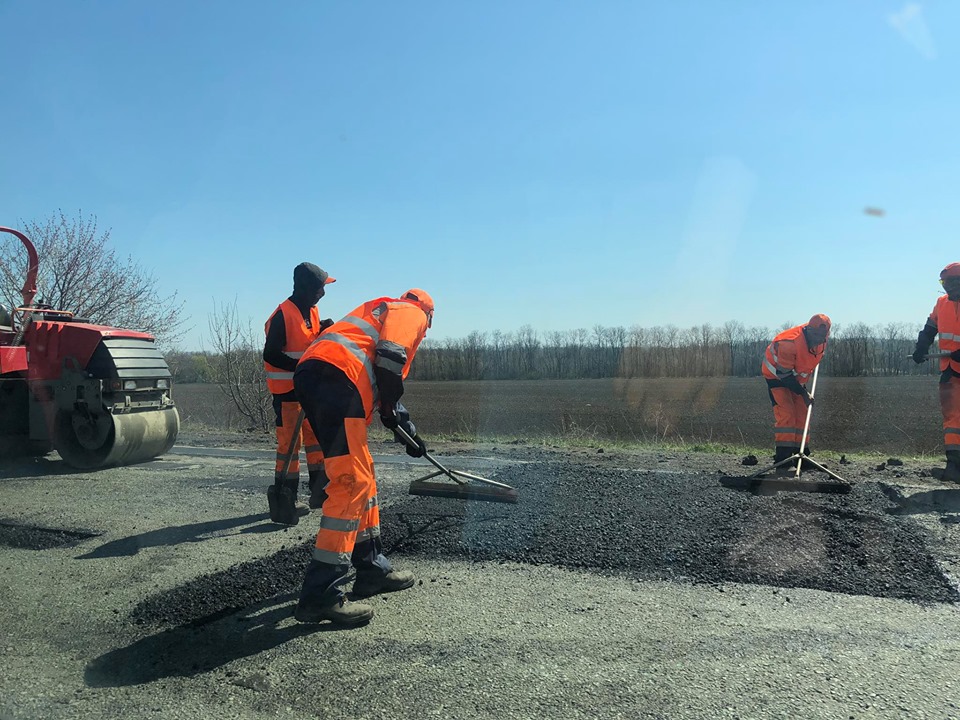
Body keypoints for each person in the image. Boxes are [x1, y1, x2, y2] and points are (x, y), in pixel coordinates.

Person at [291, 288, 435, 626]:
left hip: (323, 379)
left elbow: (385, 380)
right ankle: (320, 595)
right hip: (336, 381)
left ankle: (371, 570)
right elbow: (389, 359)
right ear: (429, 316)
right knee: (350, 482)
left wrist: (406, 429)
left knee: (362, 474)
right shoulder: (411, 312)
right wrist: (395, 416)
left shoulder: (377, 311)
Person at [263, 262, 336, 525]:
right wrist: (301, 368)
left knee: (316, 443)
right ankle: (286, 501)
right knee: (289, 449)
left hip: (308, 392)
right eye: (319, 288)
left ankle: (320, 494)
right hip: (287, 395)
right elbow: (270, 354)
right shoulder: (283, 315)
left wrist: (323, 330)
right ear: (305, 288)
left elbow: (306, 342)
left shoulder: (312, 311)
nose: (322, 293)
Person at [760, 314, 831, 473]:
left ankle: (802, 457)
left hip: (796, 380)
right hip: (777, 378)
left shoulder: (822, 342)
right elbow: (784, 375)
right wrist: (804, 393)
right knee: (787, 414)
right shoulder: (788, 343)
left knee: (803, 414)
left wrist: (802, 391)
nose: (819, 340)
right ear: (808, 330)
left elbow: (806, 364)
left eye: (822, 337)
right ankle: (783, 462)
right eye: (816, 336)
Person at [911, 262, 960, 483]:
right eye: (944, 283)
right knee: (952, 418)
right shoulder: (941, 303)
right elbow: (930, 327)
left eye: (949, 282)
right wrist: (921, 347)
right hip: (950, 371)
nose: (946, 287)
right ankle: (954, 466)